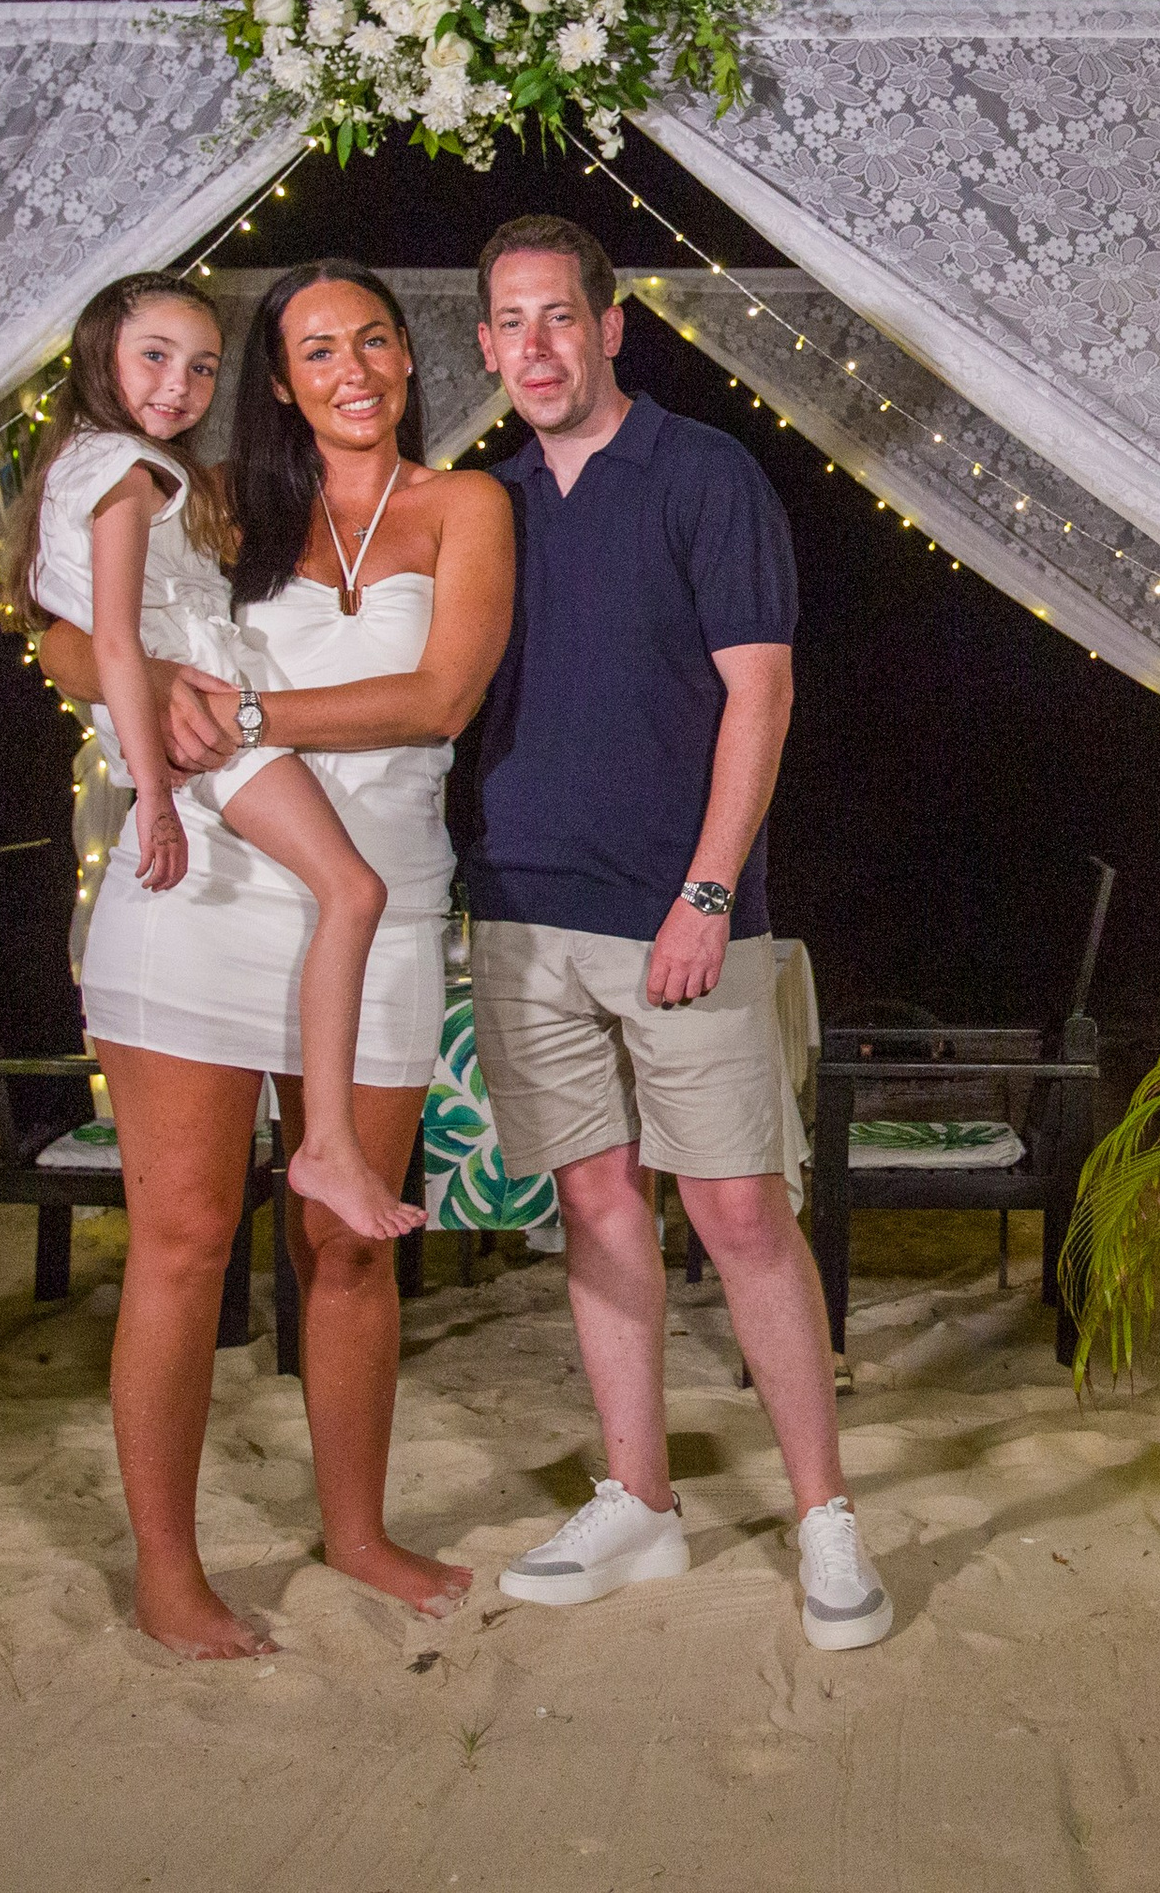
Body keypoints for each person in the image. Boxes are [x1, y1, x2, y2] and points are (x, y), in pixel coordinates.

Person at [37, 261, 514, 1658]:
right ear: (284, 379)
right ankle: (169, 1572)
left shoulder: (467, 507)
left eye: (372, 340)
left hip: (380, 901)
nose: (350, 368)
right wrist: (160, 693)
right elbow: (71, 632)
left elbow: (442, 694)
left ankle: (356, 1531)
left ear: (412, 362)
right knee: (185, 1241)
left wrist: (237, 705)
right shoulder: (228, 502)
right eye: (315, 350)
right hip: (204, 889)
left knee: (346, 1248)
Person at [464, 213, 891, 1649]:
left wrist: (709, 891)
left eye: (558, 318)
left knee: (736, 1212)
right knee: (592, 1209)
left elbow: (758, 696)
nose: (535, 346)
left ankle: (828, 1518)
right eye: (509, 324)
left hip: (682, 920)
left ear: (610, 325)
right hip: (524, 916)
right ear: (484, 346)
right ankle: (639, 1501)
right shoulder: (488, 503)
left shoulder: (704, 474)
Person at [7, 271, 421, 1243]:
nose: (179, 384)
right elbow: (86, 639)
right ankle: (324, 1146)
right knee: (354, 892)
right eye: (155, 356)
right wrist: (151, 762)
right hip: (215, 761)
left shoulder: (122, 467)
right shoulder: (143, 471)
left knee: (352, 893)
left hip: (236, 763)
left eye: (200, 367)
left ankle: (322, 1145)